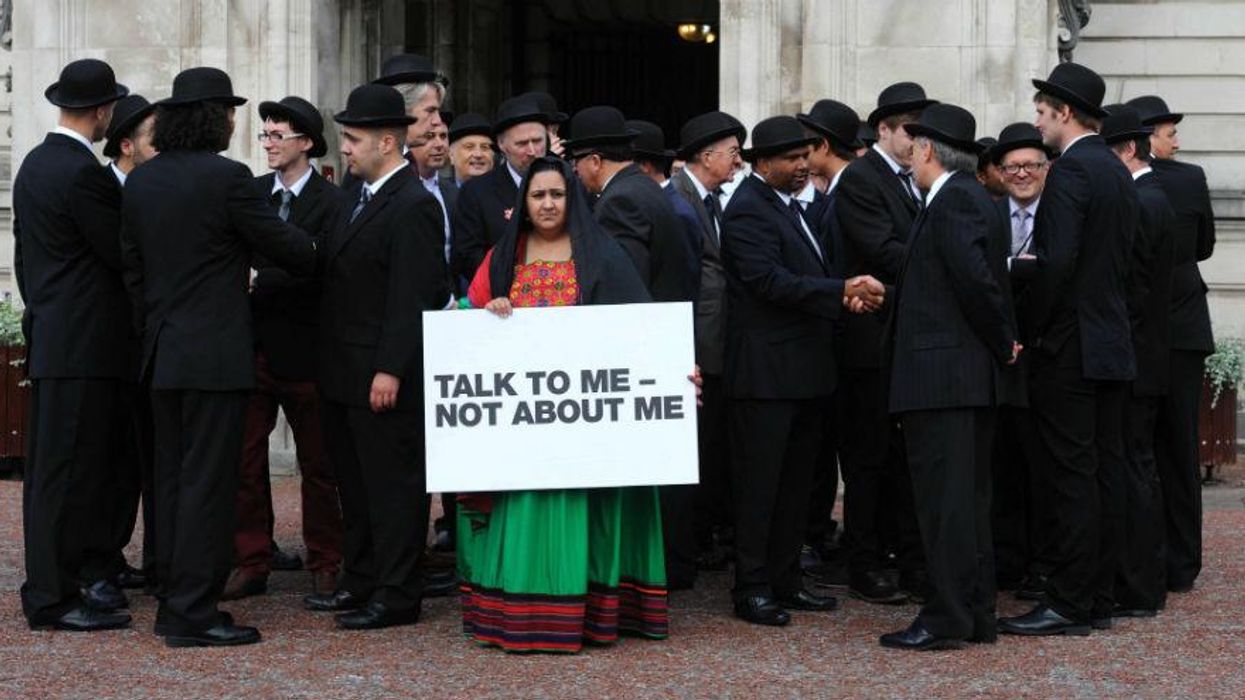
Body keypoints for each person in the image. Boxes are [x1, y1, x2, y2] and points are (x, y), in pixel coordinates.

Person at [120, 67, 316, 647]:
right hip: (214, 358)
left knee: (175, 483)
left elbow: (132, 272)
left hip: (162, 354)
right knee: (208, 486)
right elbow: (290, 249)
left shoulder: (142, 183)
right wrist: (304, 251)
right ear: (212, 117)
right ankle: (191, 614)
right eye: (230, 112)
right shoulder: (228, 179)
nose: (236, 123)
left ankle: (173, 600)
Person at [460, 156, 667, 653]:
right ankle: (522, 615)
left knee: (585, 510)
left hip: (586, 434)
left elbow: (641, 331)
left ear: (571, 200)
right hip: (524, 434)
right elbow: (465, 325)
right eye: (538, 195)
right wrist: (488, 313)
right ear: (523, 204)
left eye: (557, 194)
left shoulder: (602, 253)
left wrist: (675, 372)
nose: (548, 204)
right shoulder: (503, 256)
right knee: (529, 509)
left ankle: (591, 614)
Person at [721, 116, 884, 627]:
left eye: (804, 157)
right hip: (766, 376)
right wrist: (839, 292)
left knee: (798, 487)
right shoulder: (748, 209)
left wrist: (840, 294)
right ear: (760, 163)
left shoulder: (790, 207)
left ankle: (786, 579)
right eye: (790, 159)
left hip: (805, 372)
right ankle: (751, 588)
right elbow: (770, 282)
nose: (801, 166)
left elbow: (807, 277)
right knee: (761, 486)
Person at [999, 62, 1139, 637]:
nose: (1037, 120)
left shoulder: (1074, 172)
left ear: (1063, 112)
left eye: (1041, 111)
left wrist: (1029, 325)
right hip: (1108, 342)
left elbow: (1055, 266)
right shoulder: (1112, 169)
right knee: (1103, 471)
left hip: (1072, 348)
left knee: (1070, 477)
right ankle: (1097, 594)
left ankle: (1070, 600)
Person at [306, 84, 451, 630]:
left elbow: (411, 294)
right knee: (357, 485)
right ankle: (361, 578)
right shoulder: (353, 197)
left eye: (352, 138)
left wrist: (391, 367)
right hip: (344, 371)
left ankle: (396, 593)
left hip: (384, 374)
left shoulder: (412, 204)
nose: (344, 148)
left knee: (393, 487)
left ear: (386, 141)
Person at [880, 105, 1022, 650]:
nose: (910, 156)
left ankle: (946, 616)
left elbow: (976, 284)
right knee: (964, 502)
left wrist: (1000, 341)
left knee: (946, 505)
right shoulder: (963, 199)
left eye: (914, 147)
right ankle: (973, 613)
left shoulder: (956, 198)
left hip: (946, 379)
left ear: (928, 151)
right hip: (952, 377)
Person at [14, 58, 133, 632]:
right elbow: (117, 252)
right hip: (84, 342)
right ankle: (53, 596)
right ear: (104, 111)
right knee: (69, 474)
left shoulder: (35, 164)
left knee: (52, 472)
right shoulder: (82, 173)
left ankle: (54, 585)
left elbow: (27, 262)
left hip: (55, 335)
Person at [567, 106, 700, 588]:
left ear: (595, 159)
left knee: (651, 472)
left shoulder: (619, 202)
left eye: (578, 163)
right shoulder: (646, 190)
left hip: (643, 350)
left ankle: (658, 569)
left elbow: (624, 288)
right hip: (666, 337)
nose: (576, 175)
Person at [225, 95, 345, 602]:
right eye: (265, 135)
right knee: (245, 464)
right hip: (252, 349)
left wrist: (261, 280)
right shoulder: (248, 193)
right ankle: (252, 560)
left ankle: (327, 561)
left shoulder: (332, 201)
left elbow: (324, 271)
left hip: (309, 351)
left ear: (306, 143)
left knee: (320, 466)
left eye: (278, 136)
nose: (269, 144)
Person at [833, 82, 937, 604]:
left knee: (896, 456)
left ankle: (896, 553)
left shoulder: (910, 179)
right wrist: (940, 269)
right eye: (908, 130)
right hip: (866, 339)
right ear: (883, 130)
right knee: (868, 458)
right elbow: (880, 248)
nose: (916, 140)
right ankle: (864, 563)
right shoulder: (862, 179)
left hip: (897, 333)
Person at [1126, 94, 1215, 593]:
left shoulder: (1133, 180)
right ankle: (1182, 560)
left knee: (1140, 444)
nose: (1175, 140)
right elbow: (1203, 246)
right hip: (1181, 324)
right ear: (1145, 139)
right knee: (1178, 446)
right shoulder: (1189, 180)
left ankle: (1147, 554)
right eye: (1167, 132)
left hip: (1149, 326)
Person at [1102, 104, 1175, 617]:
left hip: (1136, 357)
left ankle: (1140, 584)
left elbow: (1130, 289)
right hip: (1142, 353)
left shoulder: (1143, 201)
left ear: (1128, 149)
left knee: (1134, 470)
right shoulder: (1150, 197)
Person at [668, 111, 746, 573]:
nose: (737, 163)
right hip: (695, 342)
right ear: (706, 155)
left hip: (715, 341)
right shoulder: (678, 201)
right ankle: (691, 540)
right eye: (733, 153)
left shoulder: (710, 200)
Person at [794, 98, 863, 580]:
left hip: (848, 342)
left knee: (853, 455)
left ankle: (856, 547)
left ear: (822, 146)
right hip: (833, 342)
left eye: (805, 146)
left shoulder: (848, 192)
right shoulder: (834, 192)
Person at [989, 121, 1055, 599]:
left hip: (1048, 359)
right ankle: (1006, 561)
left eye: (1031, 164)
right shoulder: (988, 214)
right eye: (1012, 166)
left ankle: (1043, 564)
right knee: (1002, 466)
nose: (1022, 173)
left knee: (1043, 467)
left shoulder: (1059, 214)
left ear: (1046, 169)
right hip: (996, 360)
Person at [99, 94, 158, 595]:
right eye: (151, 136)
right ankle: (104, 556)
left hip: (153, 347)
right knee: (111, 461)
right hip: (112, 347)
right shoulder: (101, 190)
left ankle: (149, 557)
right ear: (126, 144)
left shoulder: (160, 188)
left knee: (148, 462)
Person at [452, 97, 549, 282]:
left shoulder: (567, 183)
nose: (532, 151)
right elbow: (469, 255)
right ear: (502, 145)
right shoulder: (476, 192)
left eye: (537, 141)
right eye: (521, 144)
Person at [448, 112, 494, 187]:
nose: (478, 154)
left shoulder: (508, 193)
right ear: (451, 155)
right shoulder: (438, 195)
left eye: (485, 147)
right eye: (469, 147)